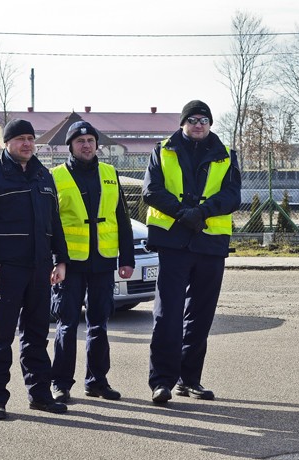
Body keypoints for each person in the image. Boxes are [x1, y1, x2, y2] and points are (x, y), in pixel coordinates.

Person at [0, 118, 71, 420]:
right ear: (7, 142)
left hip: (39, 270)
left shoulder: (43, 176)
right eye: (20, 138)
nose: (27, 143)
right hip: (5, 271)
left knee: (37, 335)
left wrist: (60, 260)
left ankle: (39, 395)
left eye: (30, 138)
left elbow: (54, 223)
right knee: (1, 337)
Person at [142, 100, 241, 404]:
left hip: (210, 244)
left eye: (204, 120)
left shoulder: (225, 154)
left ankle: (190, 380)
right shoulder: (163, 150)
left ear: (210, 124)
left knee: (200, 316)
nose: (199, 124)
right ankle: (162, 381)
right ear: (183, 123)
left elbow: (232, 195)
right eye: (193, 119)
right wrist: (183, 213)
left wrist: (202, 212)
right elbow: (151, 190)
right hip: (174, 243)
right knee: (167, 314)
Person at [49, 121, 136, 403]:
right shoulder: (57, 176)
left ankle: (97, 381)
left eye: (90, 140)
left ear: (96, 144)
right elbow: (51, 224)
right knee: (67, 323)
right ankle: (60, 383)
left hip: (103, 262)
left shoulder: (110, 173)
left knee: (100, 323)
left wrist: (127, 257)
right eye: (79, 141)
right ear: (70, 146)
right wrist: (56, 260)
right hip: (71, 263)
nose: (86, 145)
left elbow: (121, 218)